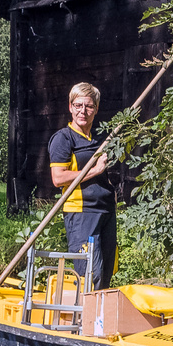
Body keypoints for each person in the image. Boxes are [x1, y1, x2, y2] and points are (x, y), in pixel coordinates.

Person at [48, 82, 116, 290]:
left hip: (105, 211)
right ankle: (84, 320)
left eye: (88, 106)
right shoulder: (63, 139)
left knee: (106, 274)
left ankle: (99, 322)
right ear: (70, 107)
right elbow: (58, 178)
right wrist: (94, 170)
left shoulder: (99, 140)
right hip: (82, 213)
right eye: (78, 105)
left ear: (96, 109)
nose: (83, 111)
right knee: (90, 274)